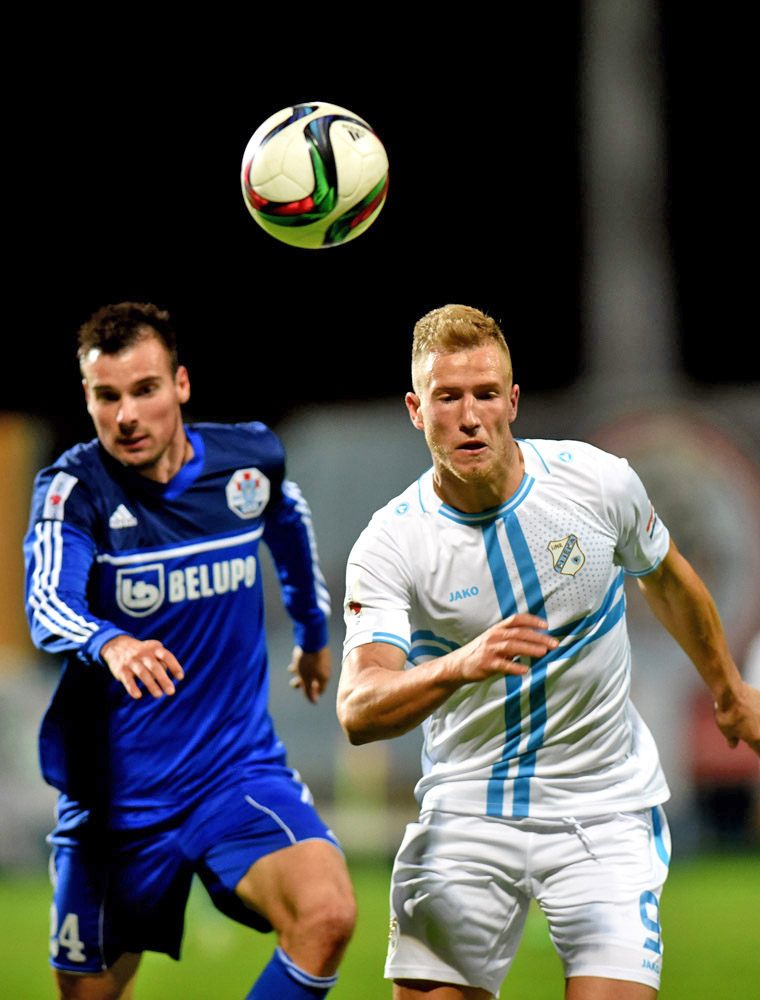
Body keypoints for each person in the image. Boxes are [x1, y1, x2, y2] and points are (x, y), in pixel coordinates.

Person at [336, 304, 760, 1000]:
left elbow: (667, 578)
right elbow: (359, 707)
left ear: (512, 401)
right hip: (467, 811)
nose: (469, 417)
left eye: (485, 394)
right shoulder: (391, 544)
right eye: (447, 398)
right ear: (416, 410)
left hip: (604, 807)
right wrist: (458, 664)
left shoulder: (597, 483)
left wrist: (730, 691)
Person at [24, 302, 356, 1000]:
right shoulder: (74, 491)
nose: (126, 416)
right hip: (115, 804)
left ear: (180, 384)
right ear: (87, 397)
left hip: (231, 774)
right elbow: (48, 601)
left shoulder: (247, 461)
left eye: (144, 389)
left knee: (327, 915)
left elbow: (286, 518)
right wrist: (110, 641)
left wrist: (311, 632)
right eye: (107, 396)